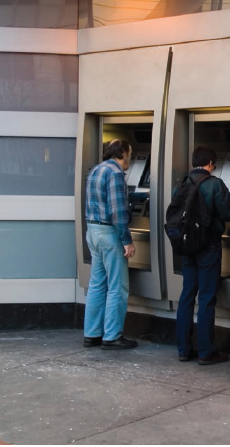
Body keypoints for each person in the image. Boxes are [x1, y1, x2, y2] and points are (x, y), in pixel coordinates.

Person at [175, 146, 230, 365]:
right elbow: (229, 212)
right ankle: (206, 352)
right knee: (206, 298)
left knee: (186, 296)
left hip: (187, 247)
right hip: (208, 247)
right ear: (211, 162)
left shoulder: (182, 185)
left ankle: (183, 349)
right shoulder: (215, 184)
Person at [83, 139, 138, 350]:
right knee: (118, 286)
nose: (130, 160)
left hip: (93, 231)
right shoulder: (115, 174)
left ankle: (92, 333)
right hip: (109, 234)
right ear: (122, 153)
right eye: (130, 155)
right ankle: (112, 336)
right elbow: (118, 211)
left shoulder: (97, 170)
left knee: (97, 284)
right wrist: (127, 241)